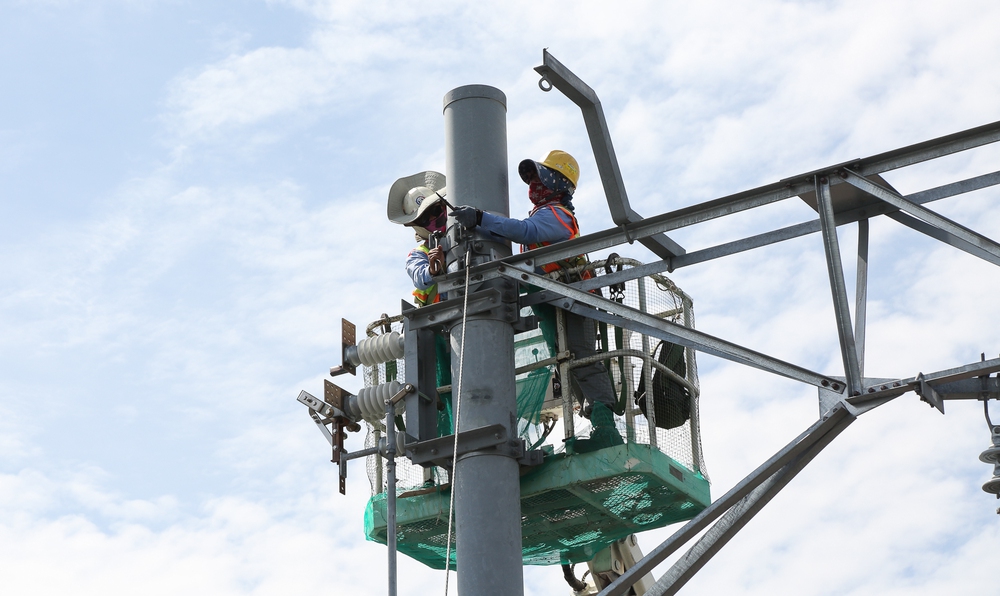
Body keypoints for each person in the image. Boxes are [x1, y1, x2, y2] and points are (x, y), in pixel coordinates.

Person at [451, 151, 621, 451]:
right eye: (532, 179)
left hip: (574, 299)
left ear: (558, 183)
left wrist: (481, 219)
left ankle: (607, 426)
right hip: (553, 300)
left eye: (539, 178)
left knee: (582, 359)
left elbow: (526, 231)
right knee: (567, 361)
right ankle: (598, 425)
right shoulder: (544, 214)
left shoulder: (557, 215)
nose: (534, 185)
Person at [386, 171, 449, 306]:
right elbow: (419, 276)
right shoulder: (418, 254)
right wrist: (433, 269)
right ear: (417, 224)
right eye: (425, 218)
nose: (433, 218)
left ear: (443, 207)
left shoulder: (469, 232)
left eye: (435, 211)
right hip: (443, 319)